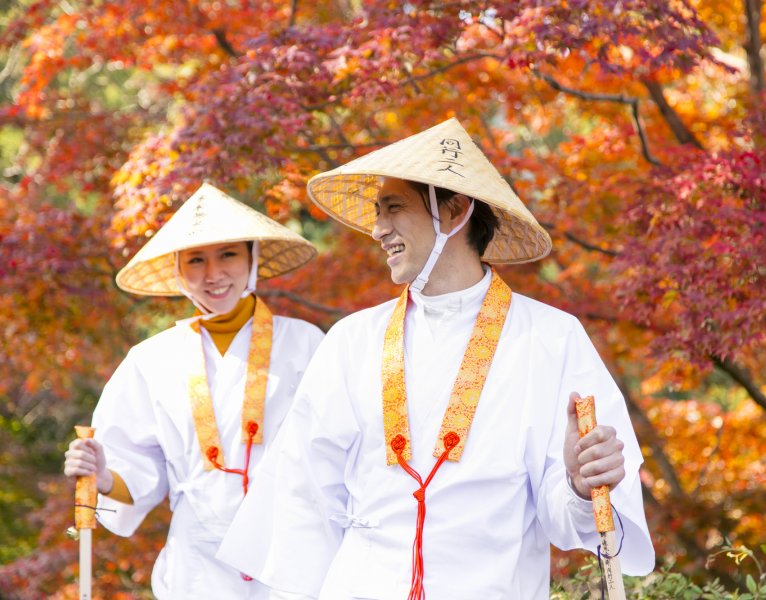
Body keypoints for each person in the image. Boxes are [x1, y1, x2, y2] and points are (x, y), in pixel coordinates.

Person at [218, 118, 654, 598]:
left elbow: (573, 526)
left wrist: (577, 481)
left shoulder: (551, 338)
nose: (377, 229)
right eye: (376, 211)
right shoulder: (352, 340)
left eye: (393, 207)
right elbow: (302, 497)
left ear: (454, 211)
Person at [63, 183, 323, 599]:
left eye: (228, 255)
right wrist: (103, 475)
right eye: (196, 260)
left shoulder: (306, 344)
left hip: (289, 545)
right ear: (179, 271)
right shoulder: (151, 360)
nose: (213, 274)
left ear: (253, 258)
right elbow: (134, 467)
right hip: (198, 558)